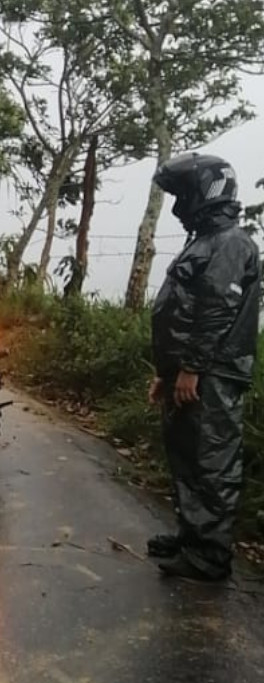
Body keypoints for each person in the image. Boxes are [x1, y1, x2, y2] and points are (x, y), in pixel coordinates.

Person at [146, 152, 261, 582]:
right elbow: (179, 311)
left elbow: (215, 308)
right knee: (186, 457)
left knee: (211, 460)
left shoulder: (231, 242)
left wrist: (192, 368)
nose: (178, 207)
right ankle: (191, 536)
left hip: (213, 373)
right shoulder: (205, 241)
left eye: (183, 195)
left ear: (206, 192)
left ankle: (209, 555)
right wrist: (166, 371)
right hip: (190, 371)